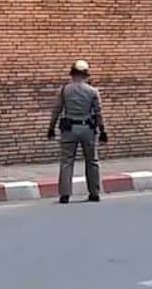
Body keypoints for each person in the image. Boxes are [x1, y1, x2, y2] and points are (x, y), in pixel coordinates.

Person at [48, 60, 108, 204]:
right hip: (88, 129)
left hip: (69, 129)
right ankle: (94, 193)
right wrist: (103, 130)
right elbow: (98, 113)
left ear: (72, 73)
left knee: (66, 162)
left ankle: (65, 195)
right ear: (86, 74)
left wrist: (51, 128)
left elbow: (57, 110)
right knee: (92, 161)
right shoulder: (92, 91)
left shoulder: (64, 90)